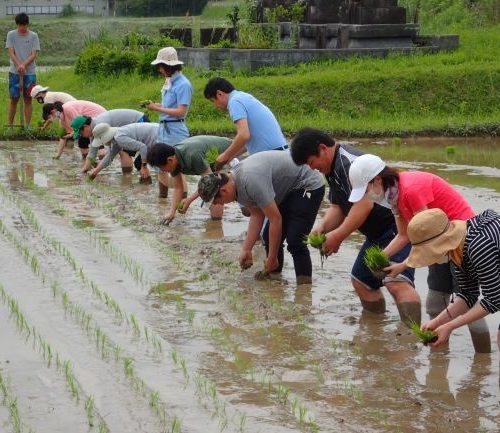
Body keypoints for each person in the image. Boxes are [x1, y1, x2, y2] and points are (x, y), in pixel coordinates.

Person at [347, 153, 491, 352]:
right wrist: (381, 259)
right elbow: (404, 235)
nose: (367, 196)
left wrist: (403, 265)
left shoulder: (411, 191)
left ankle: (482, 361)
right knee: (435, 303)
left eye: (366, 189)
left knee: (469, 304)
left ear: (377, 180)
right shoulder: (393, 198)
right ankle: (438, 358)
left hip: (458, 241)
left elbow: (426, 235)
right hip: (439, 243)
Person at [290, 128, 420, 325]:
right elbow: (338, 206)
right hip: (376, 233)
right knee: (362, 281)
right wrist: (323, 227)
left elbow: (364, 204)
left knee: (396, 281)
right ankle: (376, 328)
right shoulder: (332, 169)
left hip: (395, 227)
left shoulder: (349, 164)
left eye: (311, 163)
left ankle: (412, 339)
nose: (312, 168)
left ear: (322, 149)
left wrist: (338, 236)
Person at [197, 150, 325, 285]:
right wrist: (246, 249)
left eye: (217, 201)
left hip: (307, 184)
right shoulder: (237, 185)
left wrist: (272, 256)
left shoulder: (250, 181)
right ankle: (275, 281)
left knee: (295, 241)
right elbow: (256, 214)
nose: (218, 204)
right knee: (268, 237)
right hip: (288, 190)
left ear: (223, 191)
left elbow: (276, 219)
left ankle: (304, 290)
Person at [404, 208, 499, 351]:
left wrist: (450, 326)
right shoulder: (457, 249)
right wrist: (438, 321)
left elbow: (494, 299)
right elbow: (468, 294)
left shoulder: (478, 246)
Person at [203, 77, 288, 171]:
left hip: (271, 157)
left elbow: (243, 135)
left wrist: (224, 156)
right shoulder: (243, 96)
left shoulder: (234, 102)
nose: (215, 105)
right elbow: (246, 142)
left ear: (219, 94)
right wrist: (229, 157)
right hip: (281, 153)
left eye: (213, 101)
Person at [147, 136, 232, 224]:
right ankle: (215, 226)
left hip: (232, 151)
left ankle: (215, 227)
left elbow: (210, 182)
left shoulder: (192, 155)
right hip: (214, 163)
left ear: (170, 160)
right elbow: (178, 188)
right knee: (214, 191)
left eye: (161, 167)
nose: (162, 171)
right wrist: (172, 212)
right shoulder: (174, 161)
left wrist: (189, 200)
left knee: (218, 192)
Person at [146, 47, 193, 198]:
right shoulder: (169, 82)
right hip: (164, 129)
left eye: (160, 66)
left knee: (177, 168)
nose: (159, 70)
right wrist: (155, 105)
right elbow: (168, 107)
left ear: (168, 66)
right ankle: (163, 200)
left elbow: (181, 112)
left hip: (176, 130)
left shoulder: (183, 84)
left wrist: (158, 109)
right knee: (160, 166)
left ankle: (182, 204)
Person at [71, 109, 149, 169]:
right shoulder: (94, 128)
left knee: (124, 151)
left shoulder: (101, 125)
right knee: (125, 152)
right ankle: (128, 177)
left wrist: (98, 167)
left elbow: (114, 150)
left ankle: (127, 178)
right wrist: (85, 170)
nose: (82, 136)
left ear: (85, 127)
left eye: (81, 133)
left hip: (140, 121)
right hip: (131, 127)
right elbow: (92, 152)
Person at [88, 122, 159, 181]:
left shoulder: (119, 138)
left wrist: (144, 166)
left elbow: (143, 147)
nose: (103, 143)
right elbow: (109, 156)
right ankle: (146, 187)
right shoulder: (116, 138)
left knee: (155, 165)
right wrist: (95, 172)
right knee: (139, 163)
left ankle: (151, 189)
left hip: (157, 137)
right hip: (157, 134)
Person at [5, 13, 40, 129]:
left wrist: (23, 65)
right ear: (17, 25)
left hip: (29, 72)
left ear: (27, 24)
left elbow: (34, 54)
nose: (22, 28)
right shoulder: (11, 35)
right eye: (20, 26)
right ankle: (10, 126)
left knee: (28, 98)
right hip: (14, 72)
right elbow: (10, 51)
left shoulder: (33, 36)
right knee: (14, 99)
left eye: (24, 25)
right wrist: (19, 65)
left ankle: (28, 126)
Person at [42, 100, 106, 159]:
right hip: (88, 123)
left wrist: (71, 134)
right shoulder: (62, 118)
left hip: (99, 117)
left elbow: (79, 123)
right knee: (82, 143)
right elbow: (63, 138)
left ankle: (102, 158)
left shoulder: (67, 108)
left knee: (98, 146)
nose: (51, 120)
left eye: (49, 117)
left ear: (52, 111)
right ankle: (87, 161)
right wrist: (58, 155)